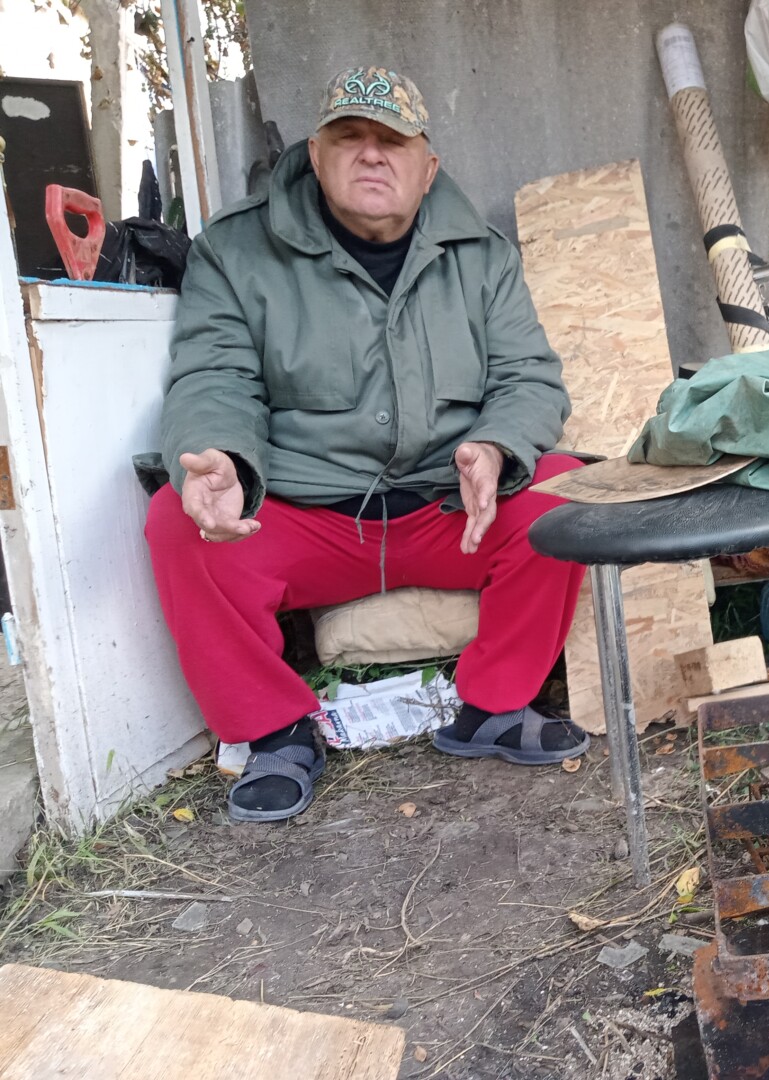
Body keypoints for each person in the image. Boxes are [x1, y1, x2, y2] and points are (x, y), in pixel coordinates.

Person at [142, 66, 588, 823]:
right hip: (304, 513)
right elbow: (214, 375)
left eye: (393, 141)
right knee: (175, 520)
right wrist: (219, 454)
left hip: (449, 509)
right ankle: (277, 734)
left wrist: (496, 446)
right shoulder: (236, 250)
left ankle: (495, 709)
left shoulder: (481, 256)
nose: (372, 154)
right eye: (351, 137)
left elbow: (530, 379)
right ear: (315, 156)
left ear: (428, 167)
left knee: (566, 492)